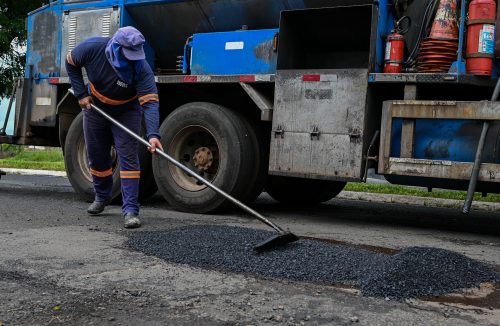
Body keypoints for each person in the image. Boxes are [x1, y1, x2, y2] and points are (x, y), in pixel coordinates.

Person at [66, 26, 163, 228]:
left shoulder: (141, 68)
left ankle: (130, 210)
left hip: (127, 112)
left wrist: (154, 135)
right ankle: (102, 197)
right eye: (128, 55)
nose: (132, 60)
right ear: (116, 48)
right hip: (95, 109)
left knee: (128, 157)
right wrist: (81, 93)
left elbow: (150, 102)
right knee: (97, 156)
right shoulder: (92, 48)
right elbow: (71, 62)